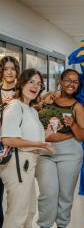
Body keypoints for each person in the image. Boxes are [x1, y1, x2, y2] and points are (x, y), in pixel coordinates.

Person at [0, 68, 54, 228]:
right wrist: (39, 144)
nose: (35, 86)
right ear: (22, 83)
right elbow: (8, 139)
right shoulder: (14, 107)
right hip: (18, 163)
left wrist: (47, 134)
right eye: (31, 82)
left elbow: (30, 137)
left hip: (29, 164)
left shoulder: (31, 109)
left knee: (29, 212)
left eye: (39, 84)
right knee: (17, 215)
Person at [36, 69, 84, 228]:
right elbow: (33, 113)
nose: (71, 84)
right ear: (60, 81)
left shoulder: (77, 107)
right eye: (67, 80)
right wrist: (43, 104)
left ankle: (62, 225)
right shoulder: (48, 97)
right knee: (47, 194)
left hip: (70, 154)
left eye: (75, 81)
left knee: (65, 195)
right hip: (45, 152)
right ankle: (44, 225)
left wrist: (72, 124)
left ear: (78, 85)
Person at [0, 56, 20, 228]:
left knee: (15, 197)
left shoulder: (23, 93)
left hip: (16, 149)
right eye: (5, 68)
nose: (9, 72)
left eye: (12, 68)